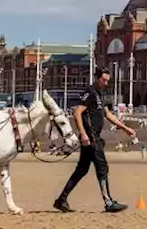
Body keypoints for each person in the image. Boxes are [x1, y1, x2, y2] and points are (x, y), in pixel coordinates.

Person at [53, 67, 135, 213]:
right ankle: (108, 202)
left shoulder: (101, 94)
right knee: (102, 168)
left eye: (107, 81)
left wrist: (125, 128)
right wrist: (83, 134)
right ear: (97, 78)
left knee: (81, 170)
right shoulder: (89, 92)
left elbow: (108, 114)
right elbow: (77, 113)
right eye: (103, 80)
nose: (105, 83)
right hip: (91, 138)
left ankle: (61, 200)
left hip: (94, 138)